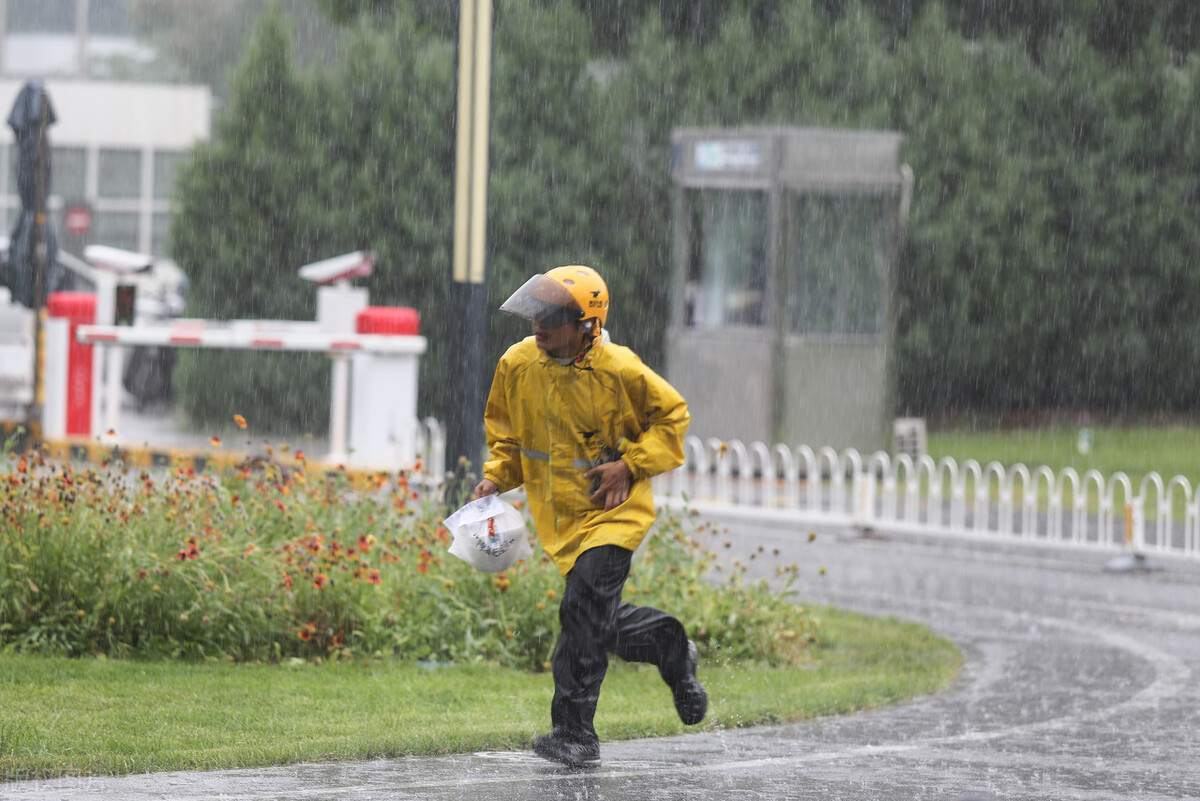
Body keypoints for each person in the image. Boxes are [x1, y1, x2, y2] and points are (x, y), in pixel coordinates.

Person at [473, 265, 707, 768]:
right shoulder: (517, 364)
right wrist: (496, 478)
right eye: (536, 313)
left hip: (613, 515)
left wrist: (630, 465)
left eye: (552, 316)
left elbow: (674, 416)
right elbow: (510, 439)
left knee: (579, 614)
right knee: (596, 624)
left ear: (587, 324)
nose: (538, 325)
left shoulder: (619, 369)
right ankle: (670, 646)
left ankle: (575, 734)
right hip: (561, 524)